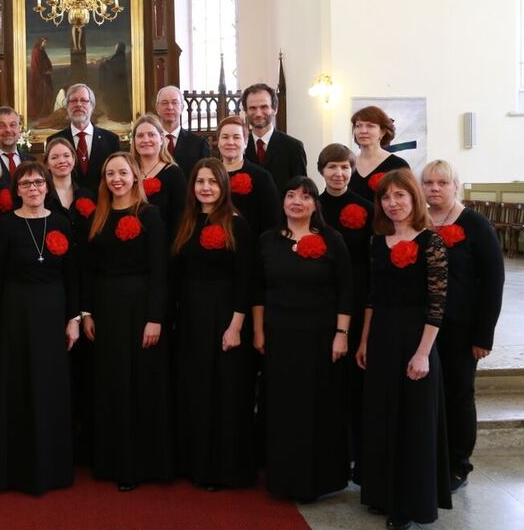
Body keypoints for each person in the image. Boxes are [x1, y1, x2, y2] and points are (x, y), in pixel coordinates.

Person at [357, 169, 451, 530]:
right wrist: (364, 341)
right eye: (386, 197)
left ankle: (409, 504)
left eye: (400, 195)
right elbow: (372, 296)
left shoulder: (431, 242)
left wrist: (423, 352)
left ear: (414, 197)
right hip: (382, 337)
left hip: (415, 339)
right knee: (381, 415)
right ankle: (381, 493)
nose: (392, 203)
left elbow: (437, 304)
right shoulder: (377, 241)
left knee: (413, 422)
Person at [0, 162, 79, 494]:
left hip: (54, 315)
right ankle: (18, 469)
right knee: (18, 386)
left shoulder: (61, 222)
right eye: (26, 184)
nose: (33, 188)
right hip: (16, 315)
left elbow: (72, 276)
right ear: (16, 190)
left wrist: (74, 319)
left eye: (38, 182)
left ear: (47, 187)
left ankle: (53, 468)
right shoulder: (6, 225)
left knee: (51, 387)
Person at [252, 176, 353, 503]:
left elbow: (346, 290)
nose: (297, 201)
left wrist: (341, 334)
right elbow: (257, 290)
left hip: (321, 336)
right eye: (291, 195)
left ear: (315, 204)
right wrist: (258, 331)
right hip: (279, 335)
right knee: (283, 407)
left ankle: (318, 480)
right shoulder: (268, 240)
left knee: (317, 407)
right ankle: (283, 478)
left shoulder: (332, 239)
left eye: (305, 197)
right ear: (282, 202)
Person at [82, 152, 171, 491]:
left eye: (122, 172)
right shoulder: (99, 215)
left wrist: (155, 318)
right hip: (106, 309)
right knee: (112, 383)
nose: (116, 179)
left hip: (139, 308)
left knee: (139, 383)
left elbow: (160, 271)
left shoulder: (150, 215)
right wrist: (87, 312)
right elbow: (88, 270)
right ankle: (112, 461)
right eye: (110, 174)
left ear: (135, 175)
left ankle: (139, 464)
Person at [171, 158, 256, 490]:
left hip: (225, 317)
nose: (205, 187)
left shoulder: (237, 224)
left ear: (224, 186)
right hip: (192, 318)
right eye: (200, 181)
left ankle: (223, 469)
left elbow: (246, 281)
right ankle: (196, 464)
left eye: (212, 182)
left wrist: (235, 326)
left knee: (224, 392)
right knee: (196, 389)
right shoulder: (188, 221)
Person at [422, 159, 504, 492]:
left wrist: (484, 335)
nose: (434, 189)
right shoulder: (418, 220)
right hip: (424, 327)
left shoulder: (476, 225)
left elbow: (493, 283)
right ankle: (431, 457)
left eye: (442, 183)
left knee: (458, 394)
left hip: (461, 328)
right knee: (429, 394)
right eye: (428, 183)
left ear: (456, 186)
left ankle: (459, 462)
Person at [316, 143, 374, 481]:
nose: (338, 174)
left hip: (358, 296)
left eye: (344, 167)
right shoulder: (313, 206)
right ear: (321, 171)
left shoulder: (367, 208)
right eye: (332, 167)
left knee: (357, 379)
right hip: (324, 300)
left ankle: (358, 453)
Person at [44, 136, 97, 464]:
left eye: (66, 155)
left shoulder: (88, 195)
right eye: (55, 156)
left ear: (74, 160)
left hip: (86, 280)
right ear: (47, 162)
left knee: (85, 368)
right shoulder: (41, 194)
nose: (61, 161)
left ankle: (85, 441)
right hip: (53, 284)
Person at [49, 83, 121, 193]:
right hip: (67, 202)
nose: (78, 104)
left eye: (83, 100)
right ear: (67, 107)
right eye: (73, 101)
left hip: (103, 200)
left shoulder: (111, 140)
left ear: (92, 106)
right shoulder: (54, 141)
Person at [216, 115, 280, 238]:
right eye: (225, 137)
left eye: (236, 137)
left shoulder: (261, 177)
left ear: (245, 142)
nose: (230, 142)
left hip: (251, 242)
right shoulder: (211, 175)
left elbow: (271, 221)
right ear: (218, 142)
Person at [242, 83, 307, 192]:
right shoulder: (240, 147)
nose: (258, 113)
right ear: (246, 111)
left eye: (264, 107)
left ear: (275, 109)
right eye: (252, 108)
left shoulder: (293, 147)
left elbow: (301, 190)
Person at [130, 114, 186, 239]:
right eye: (140, 136)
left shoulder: (173, 173)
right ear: (134, 141)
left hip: (164, 241)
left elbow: (180, 216)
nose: (146, 140)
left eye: (151, 134)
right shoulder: (128, 172)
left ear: (161, 139)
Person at [348, 105, 410, 201]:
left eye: (370, 126)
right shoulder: (347, 164)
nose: (363, 131)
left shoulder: (398, 165)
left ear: (383, 132)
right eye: (358, 126)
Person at [155, 85, 210, 180]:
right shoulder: (150, 142)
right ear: (157, 108)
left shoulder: (198, 143)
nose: (170, 107)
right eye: (164, 103)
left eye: (175, 102)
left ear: (182, 107)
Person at [0, 106, 36, 183]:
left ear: (19, 129)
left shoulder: (32, 161)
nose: (8, 130)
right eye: (2, 126)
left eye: (12, 125)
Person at [29, 37, 55, 119]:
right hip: (39, 77)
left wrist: (49, 69)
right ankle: (39, 114)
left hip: (45, 76)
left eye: (46, 42)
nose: (45, 44)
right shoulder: (36, 51)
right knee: (41, 94)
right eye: (44, 42)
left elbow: (46, 61)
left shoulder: (41, 50)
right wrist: (44, 72)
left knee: (47, 93)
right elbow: (36, 66)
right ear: (40, 42)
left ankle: (45, 112)